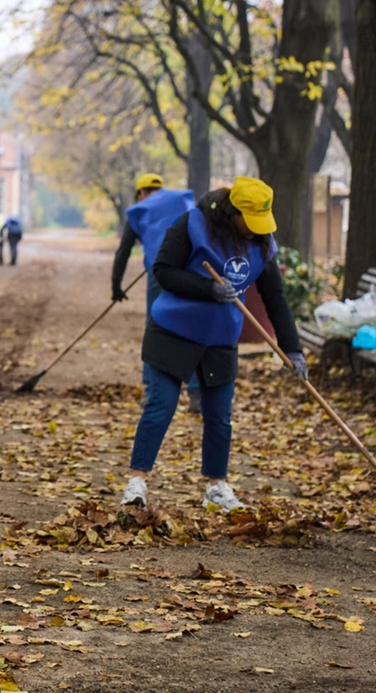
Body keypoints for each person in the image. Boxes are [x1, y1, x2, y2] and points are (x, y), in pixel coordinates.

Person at [119, 177, 306, 511]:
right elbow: (163, 270)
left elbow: (274, 296)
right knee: (161, 405)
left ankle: (216, 487)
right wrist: (208, 289)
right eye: (249, 223)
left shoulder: (262, 243)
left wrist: (293, 349)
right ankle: (137, 482)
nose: (254, 230)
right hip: (174, 329)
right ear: (233, 213)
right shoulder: (193, 225)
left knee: (219, 416)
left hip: (220, 337)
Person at [111, 173, 203, 413]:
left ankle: (152, 392)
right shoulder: (182, 201)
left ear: (141, 192)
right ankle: (196, 394)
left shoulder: (140, 209)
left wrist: (116, 286)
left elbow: (123, 252)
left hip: (159, 273)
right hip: (191, 271)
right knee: (192, 328)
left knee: (156, 328)